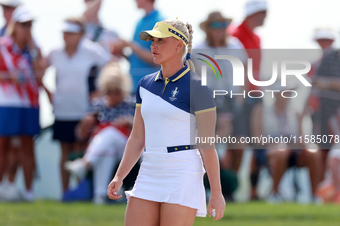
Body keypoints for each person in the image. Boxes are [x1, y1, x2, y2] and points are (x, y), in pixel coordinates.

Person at [107, 19, 225, 225]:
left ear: (179, 45)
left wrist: (216, 192)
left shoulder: (199, 88)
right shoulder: (144, 84)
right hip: (150, 168)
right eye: (152, 40)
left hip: (182, 171)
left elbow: (207, 145)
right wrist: (119, 176)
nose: (153, 45)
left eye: (160, 40)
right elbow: (137, 137)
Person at [43, 17, 112, 195]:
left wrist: (101, 91)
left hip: (84, 110)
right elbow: (38, 69)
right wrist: (47, 93)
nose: (66, 36)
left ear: (80, 34)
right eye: (64, 33)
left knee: (81, 151)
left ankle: (80, 192)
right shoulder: (55, 52)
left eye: (71, 33)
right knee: (64, 152)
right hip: (61, 110)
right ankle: (65, 193)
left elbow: (112, 65)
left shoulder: (92, 50)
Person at [64, 63, 135, 204]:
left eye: (117, 91)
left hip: (127, 148)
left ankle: (84, 164)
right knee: (107, 151)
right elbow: (80, 135)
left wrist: (129, 122)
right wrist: (85, 123)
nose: (113, 96)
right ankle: (100, 195)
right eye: (109, 91)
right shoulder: (97, 104)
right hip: (103, 148)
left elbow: (144, 132)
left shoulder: (132, 104)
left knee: (109, 132)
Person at [195, 11, 247, 174]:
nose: (219, 29)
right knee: (221, 131)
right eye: (215, 25)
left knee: (239, 144)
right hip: (207, 99)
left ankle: (229, 179)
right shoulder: (198, 50)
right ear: (208, 29)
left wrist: (241, 97)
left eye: (223, 24)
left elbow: (244, 72)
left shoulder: (236, 47)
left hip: (232, 99)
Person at [0, 6, 42, 201]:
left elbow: (40, 74)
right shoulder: (2, 46)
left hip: (30, 104)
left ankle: (28, 192)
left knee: (27, 147)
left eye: (30, 25)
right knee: (3, 146)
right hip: (7, 103)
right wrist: (9, 76)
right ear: (14, 25)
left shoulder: (34, 49)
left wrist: (33, 51)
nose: (27, 28)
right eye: (24, 24)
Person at [261, 83, 322, 203]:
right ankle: (275, 193)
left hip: (294, 152)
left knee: (313, 152)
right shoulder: (262, 111)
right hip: (270, 151)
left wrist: (303, 144)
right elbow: (258, 138)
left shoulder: (295, 114)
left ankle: (314, 196)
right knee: (281, 151)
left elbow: (301, 139)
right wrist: (277, 142)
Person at [232, 0, 268, 200]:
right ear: (252, 14)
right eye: (262, 12)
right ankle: (229, 187)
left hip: (256, 95)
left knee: (257, 144)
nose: (265, 16)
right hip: (239, 97)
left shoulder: (257, 38)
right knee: (236, 143)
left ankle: (253, 191)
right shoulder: (234, 35)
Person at [112, 0, 164, 92]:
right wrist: (122, 52)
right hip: (134, 88)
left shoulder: (160, 23)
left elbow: (159, 60)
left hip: (152, 90)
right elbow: (138, 58)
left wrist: (130, 45)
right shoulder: (139, 22)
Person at [304, 28, 336, 181]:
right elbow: (312, 91)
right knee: (320, 150)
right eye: (321, 41)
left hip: (335, 112)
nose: (324, 44)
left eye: (327, 40)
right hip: (318, 113)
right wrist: (304, 111)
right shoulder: (315, 65)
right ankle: (322, 188)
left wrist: (324, 83)